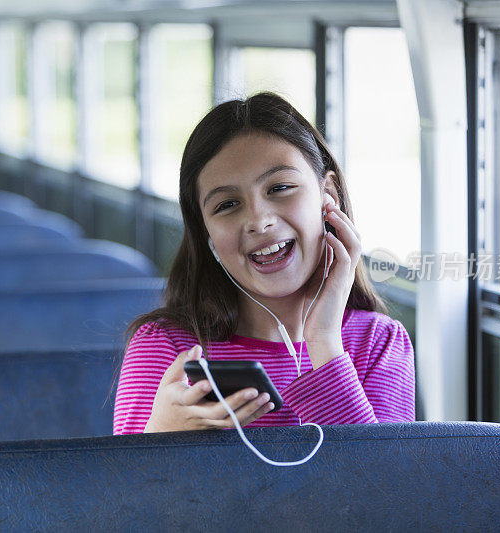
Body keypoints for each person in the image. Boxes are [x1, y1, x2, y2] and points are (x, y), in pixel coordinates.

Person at [114, 92, 415, 435]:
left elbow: (382, 486)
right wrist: (160, 434)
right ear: (206, 233)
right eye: (227, 205)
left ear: (327, 195)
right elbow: (129, 489)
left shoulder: (378, 342)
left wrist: (324, 343)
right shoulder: (166, 347)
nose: (258, 220)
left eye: (281, 187)